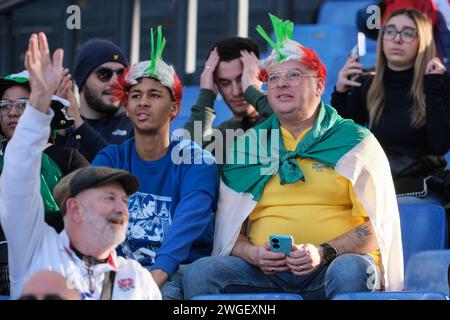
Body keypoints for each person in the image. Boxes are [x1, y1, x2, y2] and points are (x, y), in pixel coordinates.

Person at [183, 14, 404, 300]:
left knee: (351, 270)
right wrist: (253, 253)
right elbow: (229, 232)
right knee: (202, 273)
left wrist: (324, 252)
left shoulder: (355, 142)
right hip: (264, 274)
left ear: (320, 86)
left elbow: (378, 225)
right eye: (273, 78)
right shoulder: (248, 145)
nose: (281, 83)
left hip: (332, 267)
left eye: (294, 75)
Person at [0, 32, 161, 300]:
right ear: (73, 207)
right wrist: (38, 102)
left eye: (123, 199)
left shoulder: (136, 278)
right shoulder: (36, 249)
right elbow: (18, 178)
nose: (122, 207)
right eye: (110, 198)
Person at [92, 26, 218, 300]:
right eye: (135, 96)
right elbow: (90, 218)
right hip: (120, 272)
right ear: (126, 107)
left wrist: (153, 279)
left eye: (155, 95)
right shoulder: (111, 159)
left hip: (174, 273)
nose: (143, 102)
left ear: (174, 109)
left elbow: (186, 226)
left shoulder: (196, 161)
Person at [333, 8, 450, 204]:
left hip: (420, 188)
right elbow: (344, 143)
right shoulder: (366, 83)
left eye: (407, 33)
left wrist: (433, 87)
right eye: (390, 31)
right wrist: (340, 93)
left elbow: (439, 145)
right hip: (377, 184)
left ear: (423, 41)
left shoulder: (438, 82)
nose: (397, 39)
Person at [0, 70, 89, 296]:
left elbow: (87, 215)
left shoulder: (68, 157)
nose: (12, 112)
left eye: (22, 104)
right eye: (4, 105)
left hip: (55, 265)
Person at [184, 37, 272, 160]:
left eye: (242, 79)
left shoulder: (279, 122)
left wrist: (252, 90)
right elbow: (185, 159)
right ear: (216, 84)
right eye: (225, 83)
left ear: (259, 74)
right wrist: (206, 96)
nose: (236, 92)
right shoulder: (215, 139)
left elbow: (291, 123)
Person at [55, 38, 134, 162]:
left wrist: (78, 122)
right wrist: (59, 128)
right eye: (104, 74)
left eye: (121, 74)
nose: (115, 82)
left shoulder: (135, 125)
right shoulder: (64, 128)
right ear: (82, 80)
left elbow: (118, 167)